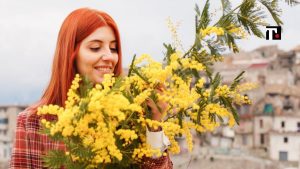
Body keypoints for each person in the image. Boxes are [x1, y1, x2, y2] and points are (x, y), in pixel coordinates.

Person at [9, 8, 173, 169]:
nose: (109, 56)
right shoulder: (32, 122)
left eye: (114, 48)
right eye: (95, 47)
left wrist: (155, 125)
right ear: (70, 53)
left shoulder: (130, 118)